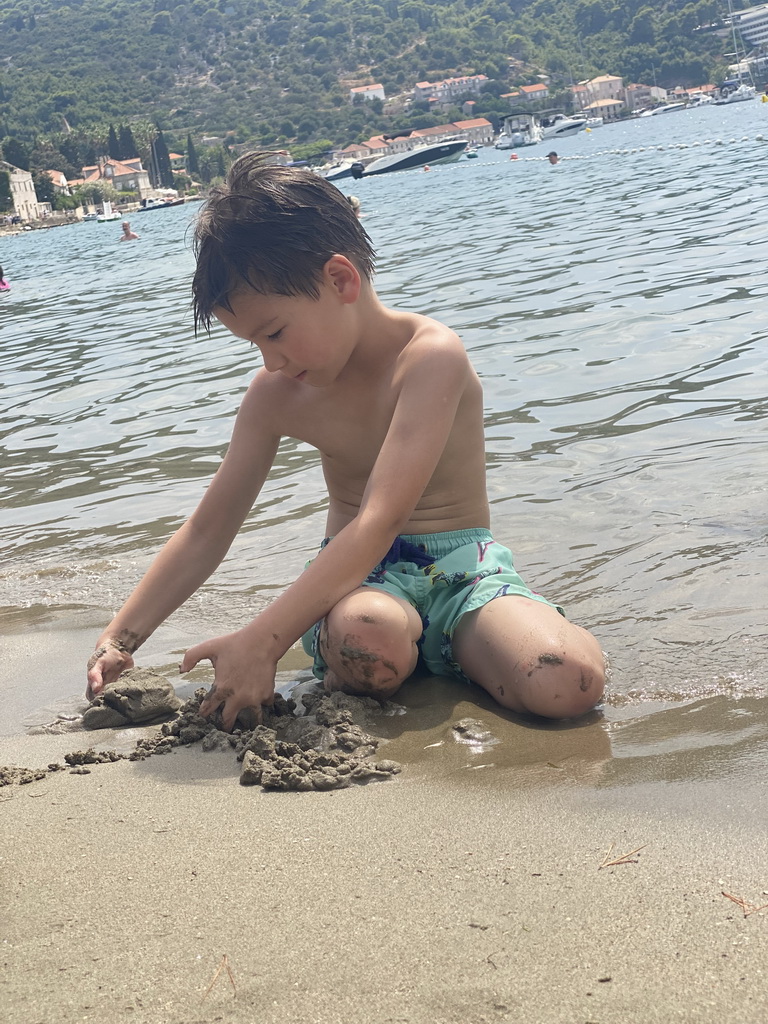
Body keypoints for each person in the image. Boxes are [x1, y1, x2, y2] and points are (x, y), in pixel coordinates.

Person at [86, 153, 605, 730]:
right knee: (367, 637)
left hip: (466, 577)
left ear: (339, 279)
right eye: (254, 345)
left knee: (567, 682)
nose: (271, 360)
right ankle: (377, 657)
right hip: (362, 586)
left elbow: (382, 517)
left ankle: (482, 642)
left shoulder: (428, 358)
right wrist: (121, 635)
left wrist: (262, 640)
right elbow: (209, 529)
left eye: (276, 333)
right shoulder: (277, 393)